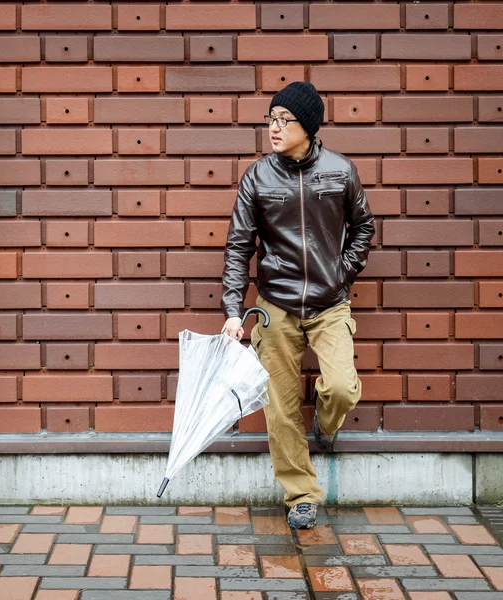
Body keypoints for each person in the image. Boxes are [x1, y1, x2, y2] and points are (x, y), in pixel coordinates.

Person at [221, 82, 374, 530]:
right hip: (276, 306)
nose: (273, 127)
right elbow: (238, 246)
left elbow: (364, 226)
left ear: (307, 125)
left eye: (283, 119)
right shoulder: (258, 176)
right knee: (281, 407)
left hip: (330, 305)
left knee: (342, 387)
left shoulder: (341, 171)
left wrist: (342, 272)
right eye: (270, 118)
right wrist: (234, 310)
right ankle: (301, 495)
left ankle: (326, 426)